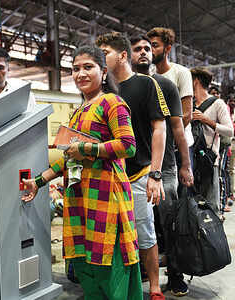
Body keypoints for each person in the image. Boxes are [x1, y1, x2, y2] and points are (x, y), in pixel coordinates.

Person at [22, 46, 142, 300]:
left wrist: (87, 147)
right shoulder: (78, 112)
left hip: (107, 200)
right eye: (76, 69)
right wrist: (39, 181)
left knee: (111, 269)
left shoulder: (112, 102)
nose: (80, 74)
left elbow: (128, 145)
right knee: (88, 270)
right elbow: (69, 158)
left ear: (104, 71)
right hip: (81, 202)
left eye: (88, 67)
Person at [97, 32, 169, 300]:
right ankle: (125, 285)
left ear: (122, 55)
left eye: (105, 53)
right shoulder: (104, 91)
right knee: (114, 236)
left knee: (145, 232)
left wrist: (155, 173)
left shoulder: (146, 85)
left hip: (139, 174)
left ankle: (154, 286)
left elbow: (159, 128)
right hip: (111, 176)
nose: (101, 59)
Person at [130, 34, 193, 297]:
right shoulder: (121, 87)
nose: (144, 52)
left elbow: (177, 127)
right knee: (140, 225)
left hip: (164, 166)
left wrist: (185, 165)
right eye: (137, 49)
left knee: (169, 221)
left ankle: (175, 275)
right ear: (127, 54)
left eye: (148, 48)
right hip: (134, 168)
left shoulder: (165, 85)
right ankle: (144, 270)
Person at [147, 28, 194, 162]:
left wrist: (169, 141)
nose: (150, 50)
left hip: (179, 145)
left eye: (155, 45)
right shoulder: (149, 76)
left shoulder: (181, 72)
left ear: (167, 49)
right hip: (157, 144)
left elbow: (187, 114)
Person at [191, 67, 233, 215]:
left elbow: (229, 130)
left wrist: (206, 120)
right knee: (191, 207)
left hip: (209, 161)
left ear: (195, 81)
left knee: (211, 207)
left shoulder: (218, 104)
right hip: (189, 162)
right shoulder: (188, 103)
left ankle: (212, 237)